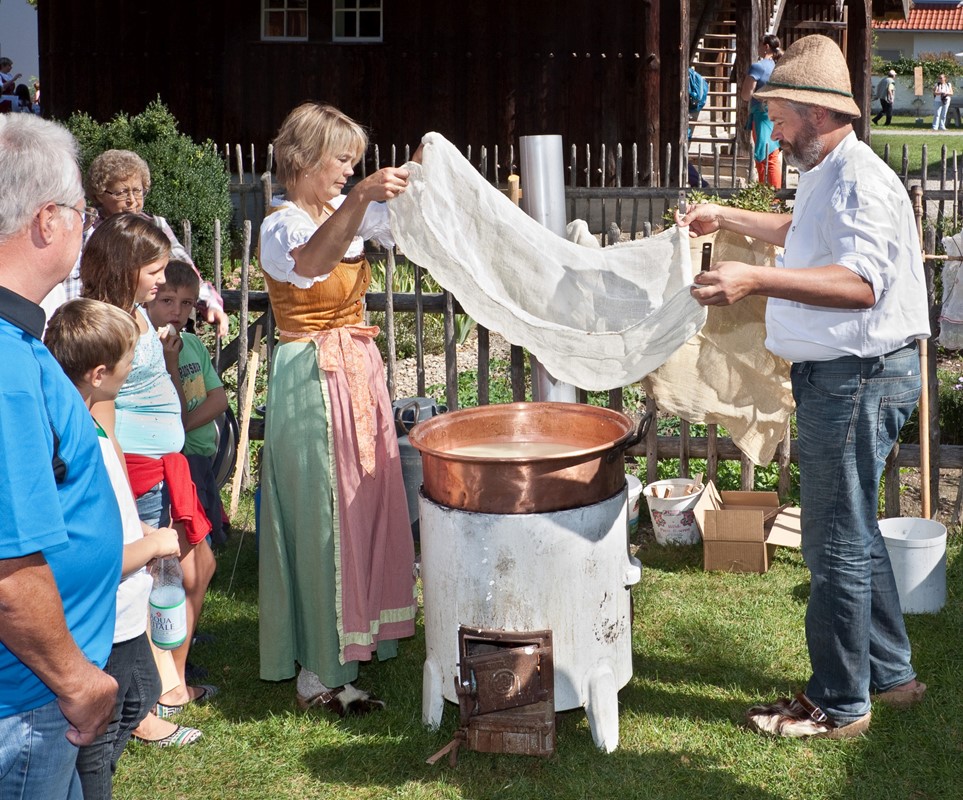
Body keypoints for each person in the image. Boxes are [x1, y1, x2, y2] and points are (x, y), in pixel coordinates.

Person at [677, 34, 929, 739]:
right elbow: (799, 231)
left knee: (833, 543)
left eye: (779, 117)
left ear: (814, 113)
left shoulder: (859, 181)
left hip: (854, 379)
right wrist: (725, 217)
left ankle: (838, 704)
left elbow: (857, 283)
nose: (773, 130)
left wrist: (750, 278)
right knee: (853, 533)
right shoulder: (828, 169)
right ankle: (891, 676)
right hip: (845, 377)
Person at [258, 102, 417, 715]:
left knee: (363, 501)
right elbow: (314, 263)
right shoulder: (283, 227)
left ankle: (357, 639)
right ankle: (316, 670)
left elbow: (402, 221)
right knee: (323, 513)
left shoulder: (343, 212)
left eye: (355, 161)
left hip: (357, 371)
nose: (351, 172)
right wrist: (361, 201)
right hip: (308, 378)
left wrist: (423, 175)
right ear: (301, 159)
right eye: (342, 160)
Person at [0, 113, 119, 797]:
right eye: (83, 213)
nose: (85, 229)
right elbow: (8, 563)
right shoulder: (6, 367)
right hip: (27, 702)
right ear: (48, 221)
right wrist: (76, 680)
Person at [81, 213, 217, 743]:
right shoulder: (106, 320)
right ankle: (145, 709)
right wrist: (116, 483)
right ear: (126, 266)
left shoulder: (135, 313)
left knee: (183, 572)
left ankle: (164, 685)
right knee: (146, 584)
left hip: (164, 464)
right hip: (136, 470)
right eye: (155, 269)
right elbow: (102, 411)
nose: (163, 281)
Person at [43, 298, 187, 796]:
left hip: (124, 604)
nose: (136, 367)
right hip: (105, 610)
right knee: (99, 737)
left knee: (141, 691)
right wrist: (150, 548)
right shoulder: (71, 438)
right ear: (101, 373)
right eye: (131, 360)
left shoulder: (89, 421)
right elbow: (84, 551)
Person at [64, 149, 230, 336]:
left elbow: (186, 269)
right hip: (93, 327)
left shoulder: (154, 225)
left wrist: (211, 304)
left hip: (141, 328)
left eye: (138, 191)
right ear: (100, 193)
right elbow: (71, 281)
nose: (132, 201)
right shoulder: (86, 228)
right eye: (121, 193)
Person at [146, 259, 229, 547]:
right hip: (174, 460)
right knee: (186, 533)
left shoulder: (192, 345)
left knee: (208, 525)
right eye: (167, 300)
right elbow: (173, 410)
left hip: (200, 453)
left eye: (186, 303)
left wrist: (185, 426)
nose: (177, 311)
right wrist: (170, 364)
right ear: (150, 298)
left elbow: (219, 399)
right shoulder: (151, 350)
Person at [742, 34, 783, 188]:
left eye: (760, 45)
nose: (758, 48)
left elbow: (746, 95)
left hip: (762, 115)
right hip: (779, 114)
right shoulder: (779, 66)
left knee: (765, 156)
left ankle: (769, 196)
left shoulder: (758, 67)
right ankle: (772, 196)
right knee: (772, 155)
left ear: (766, 46)